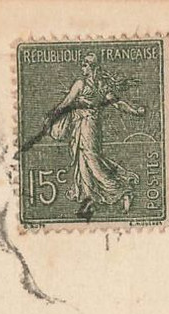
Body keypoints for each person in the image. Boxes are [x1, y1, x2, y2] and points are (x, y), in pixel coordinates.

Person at [44, 53, 145, 220]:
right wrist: (135, 111)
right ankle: (90, 199)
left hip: (87, 127)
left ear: (92, 67)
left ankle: (122, 191)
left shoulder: (82, 84)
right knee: (86, 161)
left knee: (92, 161)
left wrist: (52, 116)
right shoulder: (101, 85)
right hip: (88, 127)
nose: (82, 67)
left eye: (85, 65)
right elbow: (117, 103)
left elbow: (66, 103)